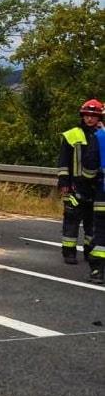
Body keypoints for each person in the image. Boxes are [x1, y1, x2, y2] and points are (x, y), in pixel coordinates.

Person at [57, 99, 103, 265]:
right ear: (82, 116)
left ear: (99, 118)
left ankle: (90, 251)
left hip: (96, 185)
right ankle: (69, 252)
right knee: (71, 218)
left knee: (93, 222)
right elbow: (63, 161)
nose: (89, 118)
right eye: (86, 115)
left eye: (93, 116)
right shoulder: (72, 135)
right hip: (75, 184)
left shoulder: (102, 135)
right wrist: (64, 182)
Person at [82, 99, 105, 283]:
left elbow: (89, 166)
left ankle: (98, 270)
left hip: (102, 191)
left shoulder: (99, 137)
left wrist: (87, 183)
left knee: (101, 230)